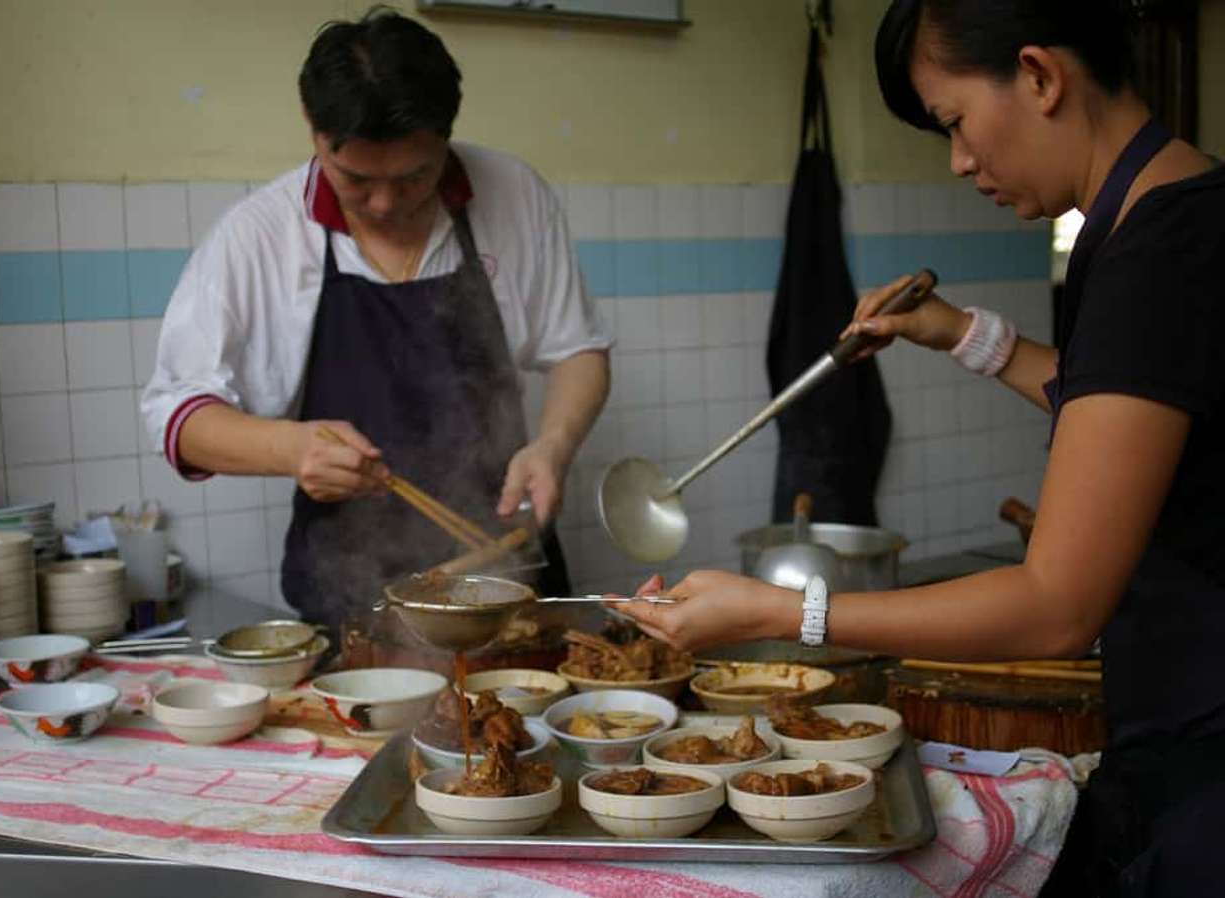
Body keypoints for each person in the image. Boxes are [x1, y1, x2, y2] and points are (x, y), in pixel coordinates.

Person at [617, 2, 1223, 895]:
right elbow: (1135, 411)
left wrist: (783, 613)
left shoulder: (1160, 251)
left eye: (955, 123)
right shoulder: (1174, 212)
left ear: (1040, 75)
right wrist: (959, 334)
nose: (961, 161)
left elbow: (1057, 607)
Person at [141, 9, 611, 647]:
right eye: (357, 179)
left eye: (414, 175)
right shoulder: (262, 235)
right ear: (314, 131)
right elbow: (179, 416)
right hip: (353, 607)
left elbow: (578, 349)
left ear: (446, 136)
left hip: (508, 583)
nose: (386, 204)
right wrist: (291, 449)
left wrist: (552, 446)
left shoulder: (515, 195)